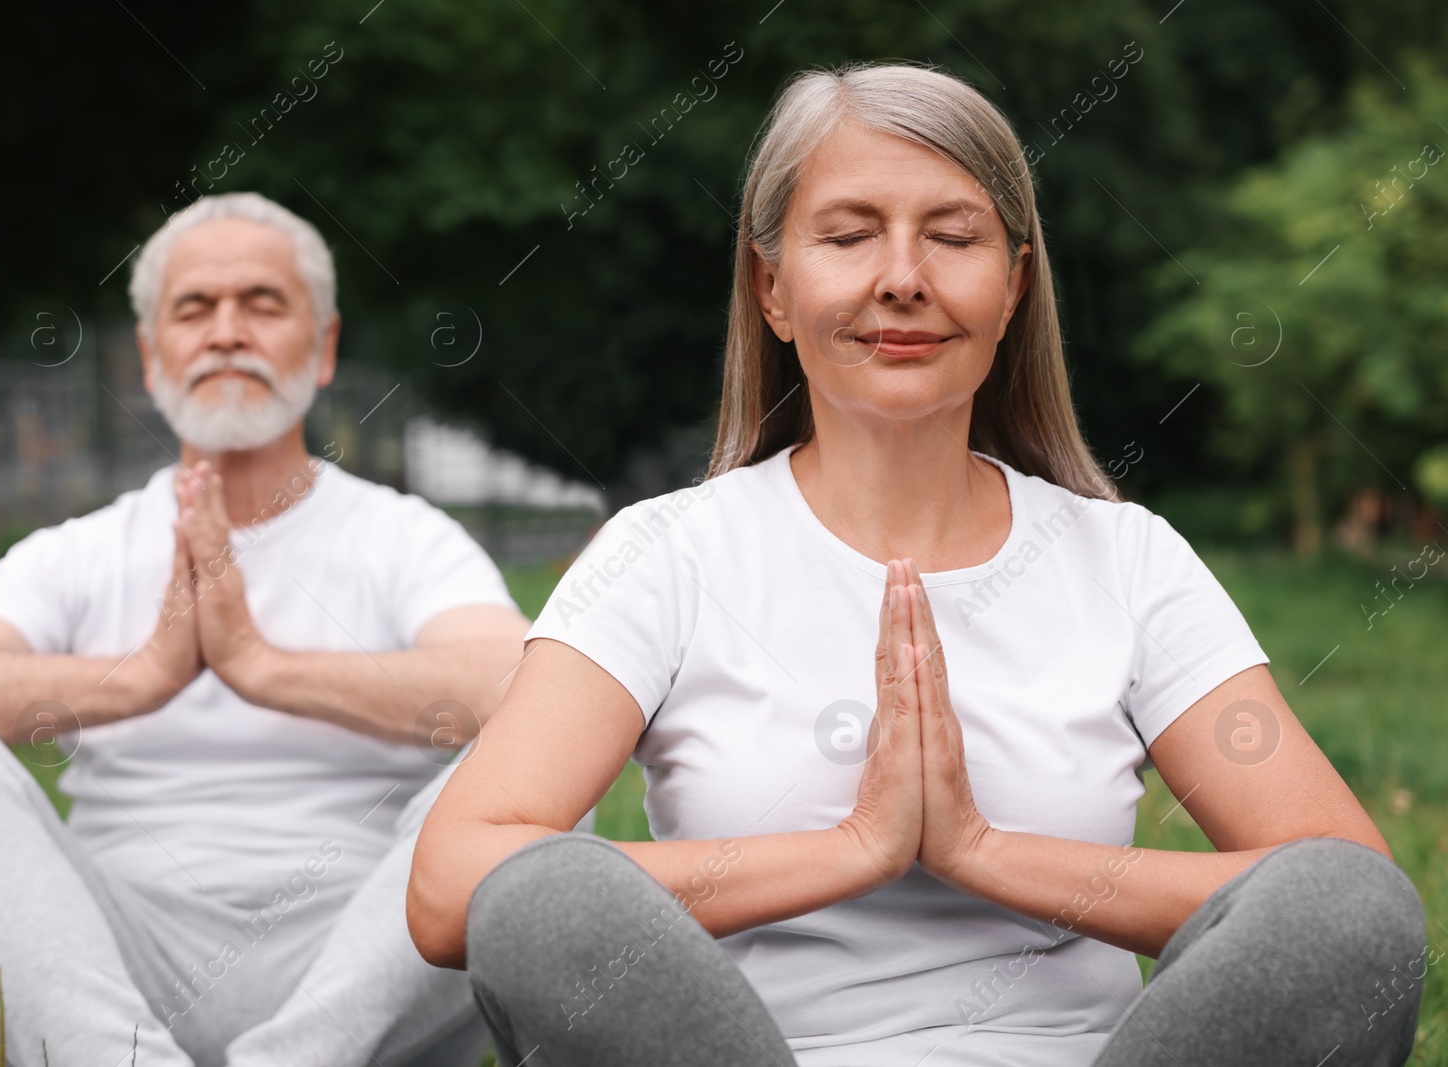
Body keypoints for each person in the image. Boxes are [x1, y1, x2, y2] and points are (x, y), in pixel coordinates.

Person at [405, 63, 1428, 1067]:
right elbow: (452, 884)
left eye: (953, 236)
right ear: (772, 287)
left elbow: (1335, 883)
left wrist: (982, 850)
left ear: (1014, 285)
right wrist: (852, 848)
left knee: (1345, 907)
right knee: (546, 892)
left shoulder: (1125, 558)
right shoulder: (663, 552)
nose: (902, 277)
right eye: (849, 236)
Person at [0, 192, 531, 1067]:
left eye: (263, 303)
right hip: (121, 972)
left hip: (360, 969)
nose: (227, 331)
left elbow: (525, 688)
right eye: (195, 308)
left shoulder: (402, 535)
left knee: (541, 764)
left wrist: (261, 664)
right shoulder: (78, 553)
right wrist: (137, 677)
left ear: (321, 350)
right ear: (151, 353)